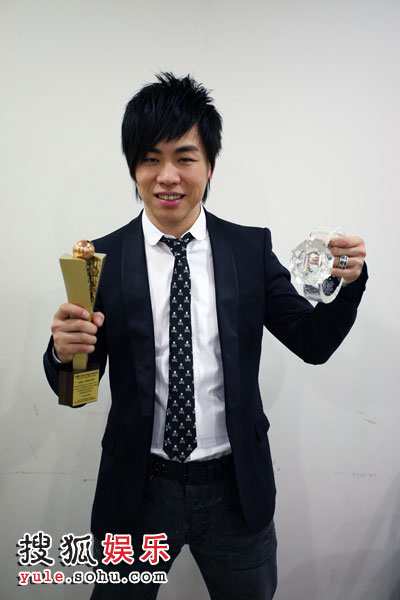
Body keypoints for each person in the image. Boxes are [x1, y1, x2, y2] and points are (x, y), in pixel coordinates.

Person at [44, 72, 367, 599]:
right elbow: (77, 393)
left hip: (235, 489)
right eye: (151, 158)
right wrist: (62, 356)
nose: (167, 176)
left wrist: (348, 285)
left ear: (209, 164)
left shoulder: (247, 249)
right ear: (133, 166)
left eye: (185, 157)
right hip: (138, 491)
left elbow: (314, 343)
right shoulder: (99, 260)